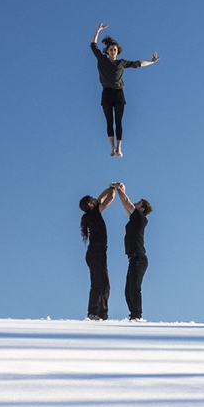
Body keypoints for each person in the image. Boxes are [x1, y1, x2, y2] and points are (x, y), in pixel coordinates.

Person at [91, 24, 160, 157]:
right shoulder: (102, 59)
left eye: (115, 50)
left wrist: (152, 62)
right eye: (111, 49)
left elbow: (137, 64)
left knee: (119, 121)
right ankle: (112, 148)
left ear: (117, 51)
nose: (113, 51)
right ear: (107, 51)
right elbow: (93, 45)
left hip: (118, 93)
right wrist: (98, 31)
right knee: (109, 121)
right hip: (106, 93)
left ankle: (119, 148)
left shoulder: (121, 63)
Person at [114, 182, 153, 321]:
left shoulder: (140, 218)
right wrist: (120, 191)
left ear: (142, 209)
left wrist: (120, 189)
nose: (135, 203)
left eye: (138, 203)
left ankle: (137, 316)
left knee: (134, 288)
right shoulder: (135, 218)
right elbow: (126, 205)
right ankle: (134, 315)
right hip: (133, 259)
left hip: (139, 259)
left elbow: (127, 202)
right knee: (128, 290)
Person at [79, 185, 116, 320]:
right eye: (92, 199)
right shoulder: (94, 213)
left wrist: (109, 186)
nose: (96, 199)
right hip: (97, 252)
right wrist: (113, 188)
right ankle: (93, 312)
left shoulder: (93, 213)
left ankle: (102, 313)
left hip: (98, 252)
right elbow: (110, 197)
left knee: (105, 284)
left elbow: (101, 198)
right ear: (90, 204)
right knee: (98, 283)